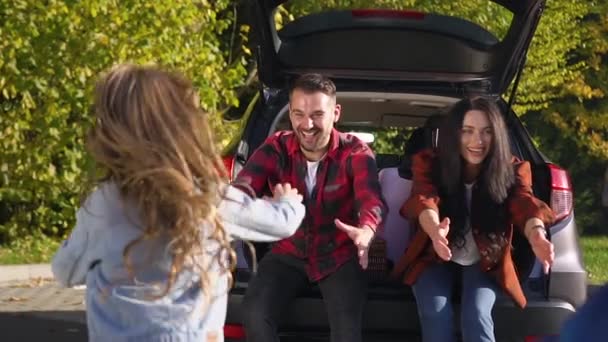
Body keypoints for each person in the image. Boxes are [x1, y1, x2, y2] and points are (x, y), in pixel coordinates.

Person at [50, 64, 306, 342]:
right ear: (186, 127)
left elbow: (65, 271)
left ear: (112, 136)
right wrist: (288, 201)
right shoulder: (209, 199)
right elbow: (281, 223)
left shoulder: (104, 203)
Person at [235, 73, 387, 342]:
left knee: (347, 332)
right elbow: (243, 187)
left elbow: (370, 200)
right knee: (254, 313)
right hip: (287, 252)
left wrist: (366, 230)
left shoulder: (356, 152)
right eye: (298, 114)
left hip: (338, 256)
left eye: (317, 114)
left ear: (335, 113)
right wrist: (248, 207)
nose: (307, 124)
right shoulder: (275, 147)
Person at [391, 97, 556, 342]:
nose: (477, 141)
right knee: (435, 314)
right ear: (453, 134)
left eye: (486, 132)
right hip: (434, 255)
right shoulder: (429, 162)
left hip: (485, 258)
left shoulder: (513, 169)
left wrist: (537, 235)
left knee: (476, 314)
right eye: (467, 131)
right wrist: (435, 231)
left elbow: (524, 203)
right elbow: (424, 198)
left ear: (497, 134)